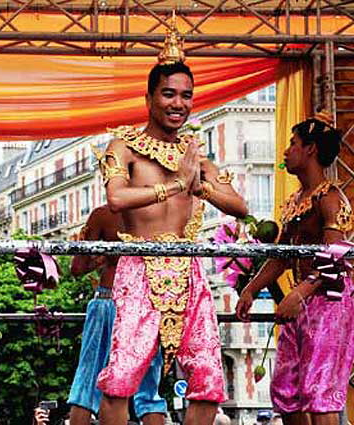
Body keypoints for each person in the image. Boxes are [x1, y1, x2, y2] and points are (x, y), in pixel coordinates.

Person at [94, 18, 248, 425]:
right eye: (169, 94)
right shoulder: (122, 146)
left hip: (190, 270)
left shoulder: (197, 156)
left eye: (186, 96)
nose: (179, 104)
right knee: (121, 377)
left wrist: (200, 188)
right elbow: (115, 198)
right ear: (149, 98)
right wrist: (176, 183)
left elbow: (241, 207)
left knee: (209, 380)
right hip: (138, 268)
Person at [236, 111, 354, 425]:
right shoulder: (296, 200)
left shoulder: (331, 199)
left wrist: (298, 295)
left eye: (293, 143)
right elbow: (282, 257)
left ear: (310, 149)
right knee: (286, 391)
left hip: (329, 302)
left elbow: (336, 258)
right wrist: (251, 288)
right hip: (301, 302)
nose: (286, 151)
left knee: (319, 391)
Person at [68, 205, 166, 425]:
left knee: (88, 381)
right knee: (149, 390)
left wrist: (100, 259)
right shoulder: (162, 211)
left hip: (109, 298)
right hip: (148, 302)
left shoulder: (104, 215)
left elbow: (77, 267)